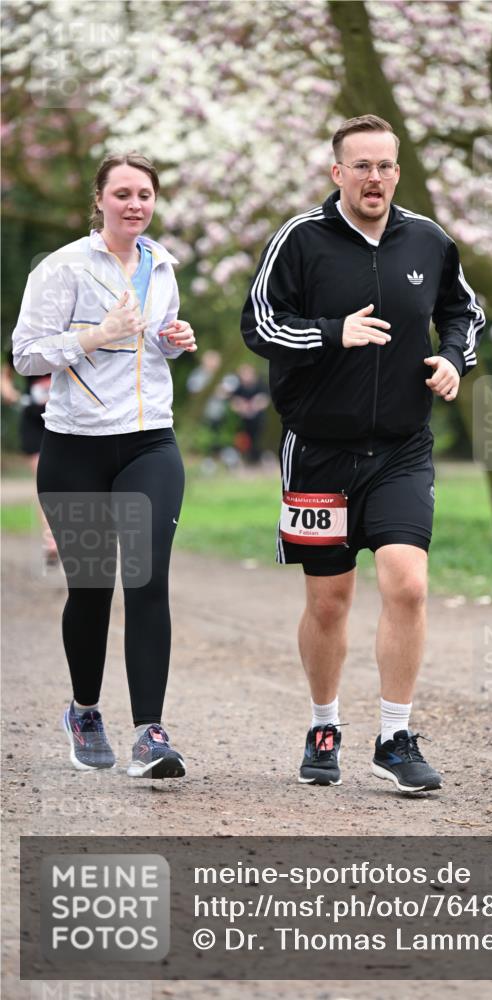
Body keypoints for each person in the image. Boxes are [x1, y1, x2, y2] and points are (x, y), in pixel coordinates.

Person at [242, 114, 484, 793]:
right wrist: (330, 332)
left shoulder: (428, 240)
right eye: (361, 166)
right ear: (336, 172)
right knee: (328, 601)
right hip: (317, 452)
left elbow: (463, 311)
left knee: (407, 582)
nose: (373, 178)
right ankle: (324, 724)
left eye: (385, 166)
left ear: (397, 172)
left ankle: (395, 736)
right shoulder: (300, 240)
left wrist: (454, 361)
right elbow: (258, 324)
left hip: (401, 448)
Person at [12, 152, 196, 779]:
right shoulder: (62, 267)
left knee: (147, 582)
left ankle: (150, 733)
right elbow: (26, 357)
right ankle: (85, 712)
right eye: (122, 194)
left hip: (150, 441)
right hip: (76, 447)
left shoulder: (161, 266)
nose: (135, 205)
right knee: (91, 589)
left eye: (144, 194)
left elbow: (150, 340)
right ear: (99, 200)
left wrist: (174, 339)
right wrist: (94, 334)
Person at [1, 354, 59, 566]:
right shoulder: (24, 337)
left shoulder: (72, 332)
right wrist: (7, 390)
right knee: (45, 482)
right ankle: (52, 540)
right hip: (34, 424)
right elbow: (5, 374)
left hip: (66, 422)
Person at [228, 363, 269, 464]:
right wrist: (240, 406)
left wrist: (256, 404)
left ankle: (256, 458)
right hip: (241, 421)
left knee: (257, 440)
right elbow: (232, 401)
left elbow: (265, 399)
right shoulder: (237, 387)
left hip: (257, 420)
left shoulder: (260, 385)